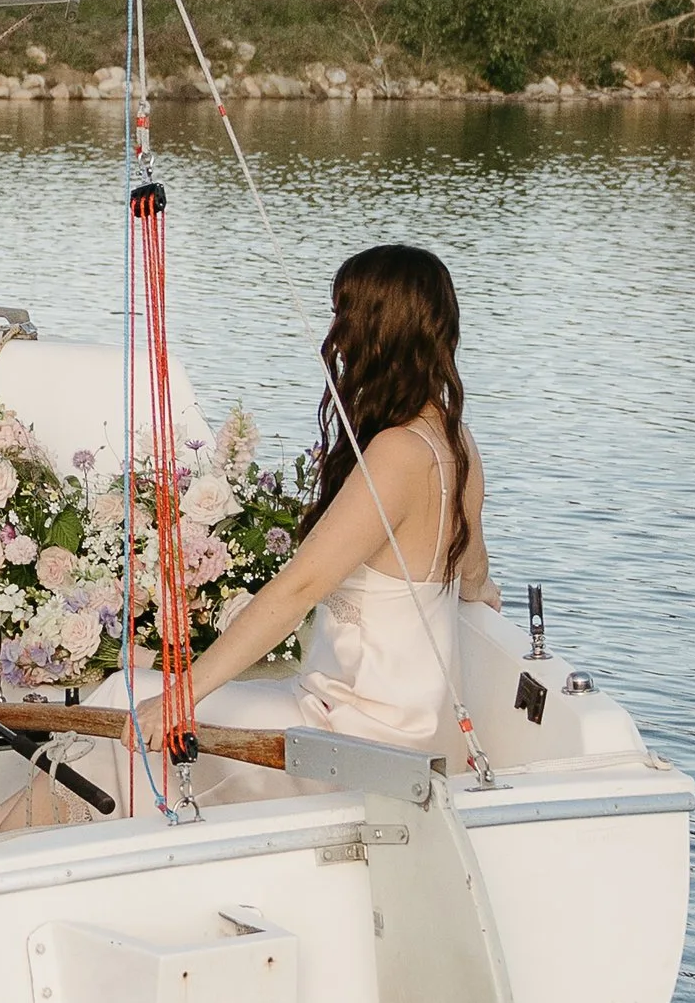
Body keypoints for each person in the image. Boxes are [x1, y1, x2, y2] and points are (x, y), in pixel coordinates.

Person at [187, 240, 501, 751]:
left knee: (124, 704)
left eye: (343, 316)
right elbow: (473, 569)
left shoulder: (397, 453)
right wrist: (483, 592)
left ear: (376, 333)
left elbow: (299, 588)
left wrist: (184, 695)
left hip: (356, 733)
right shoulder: (454, 437)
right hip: (413, 726)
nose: (335, 336)